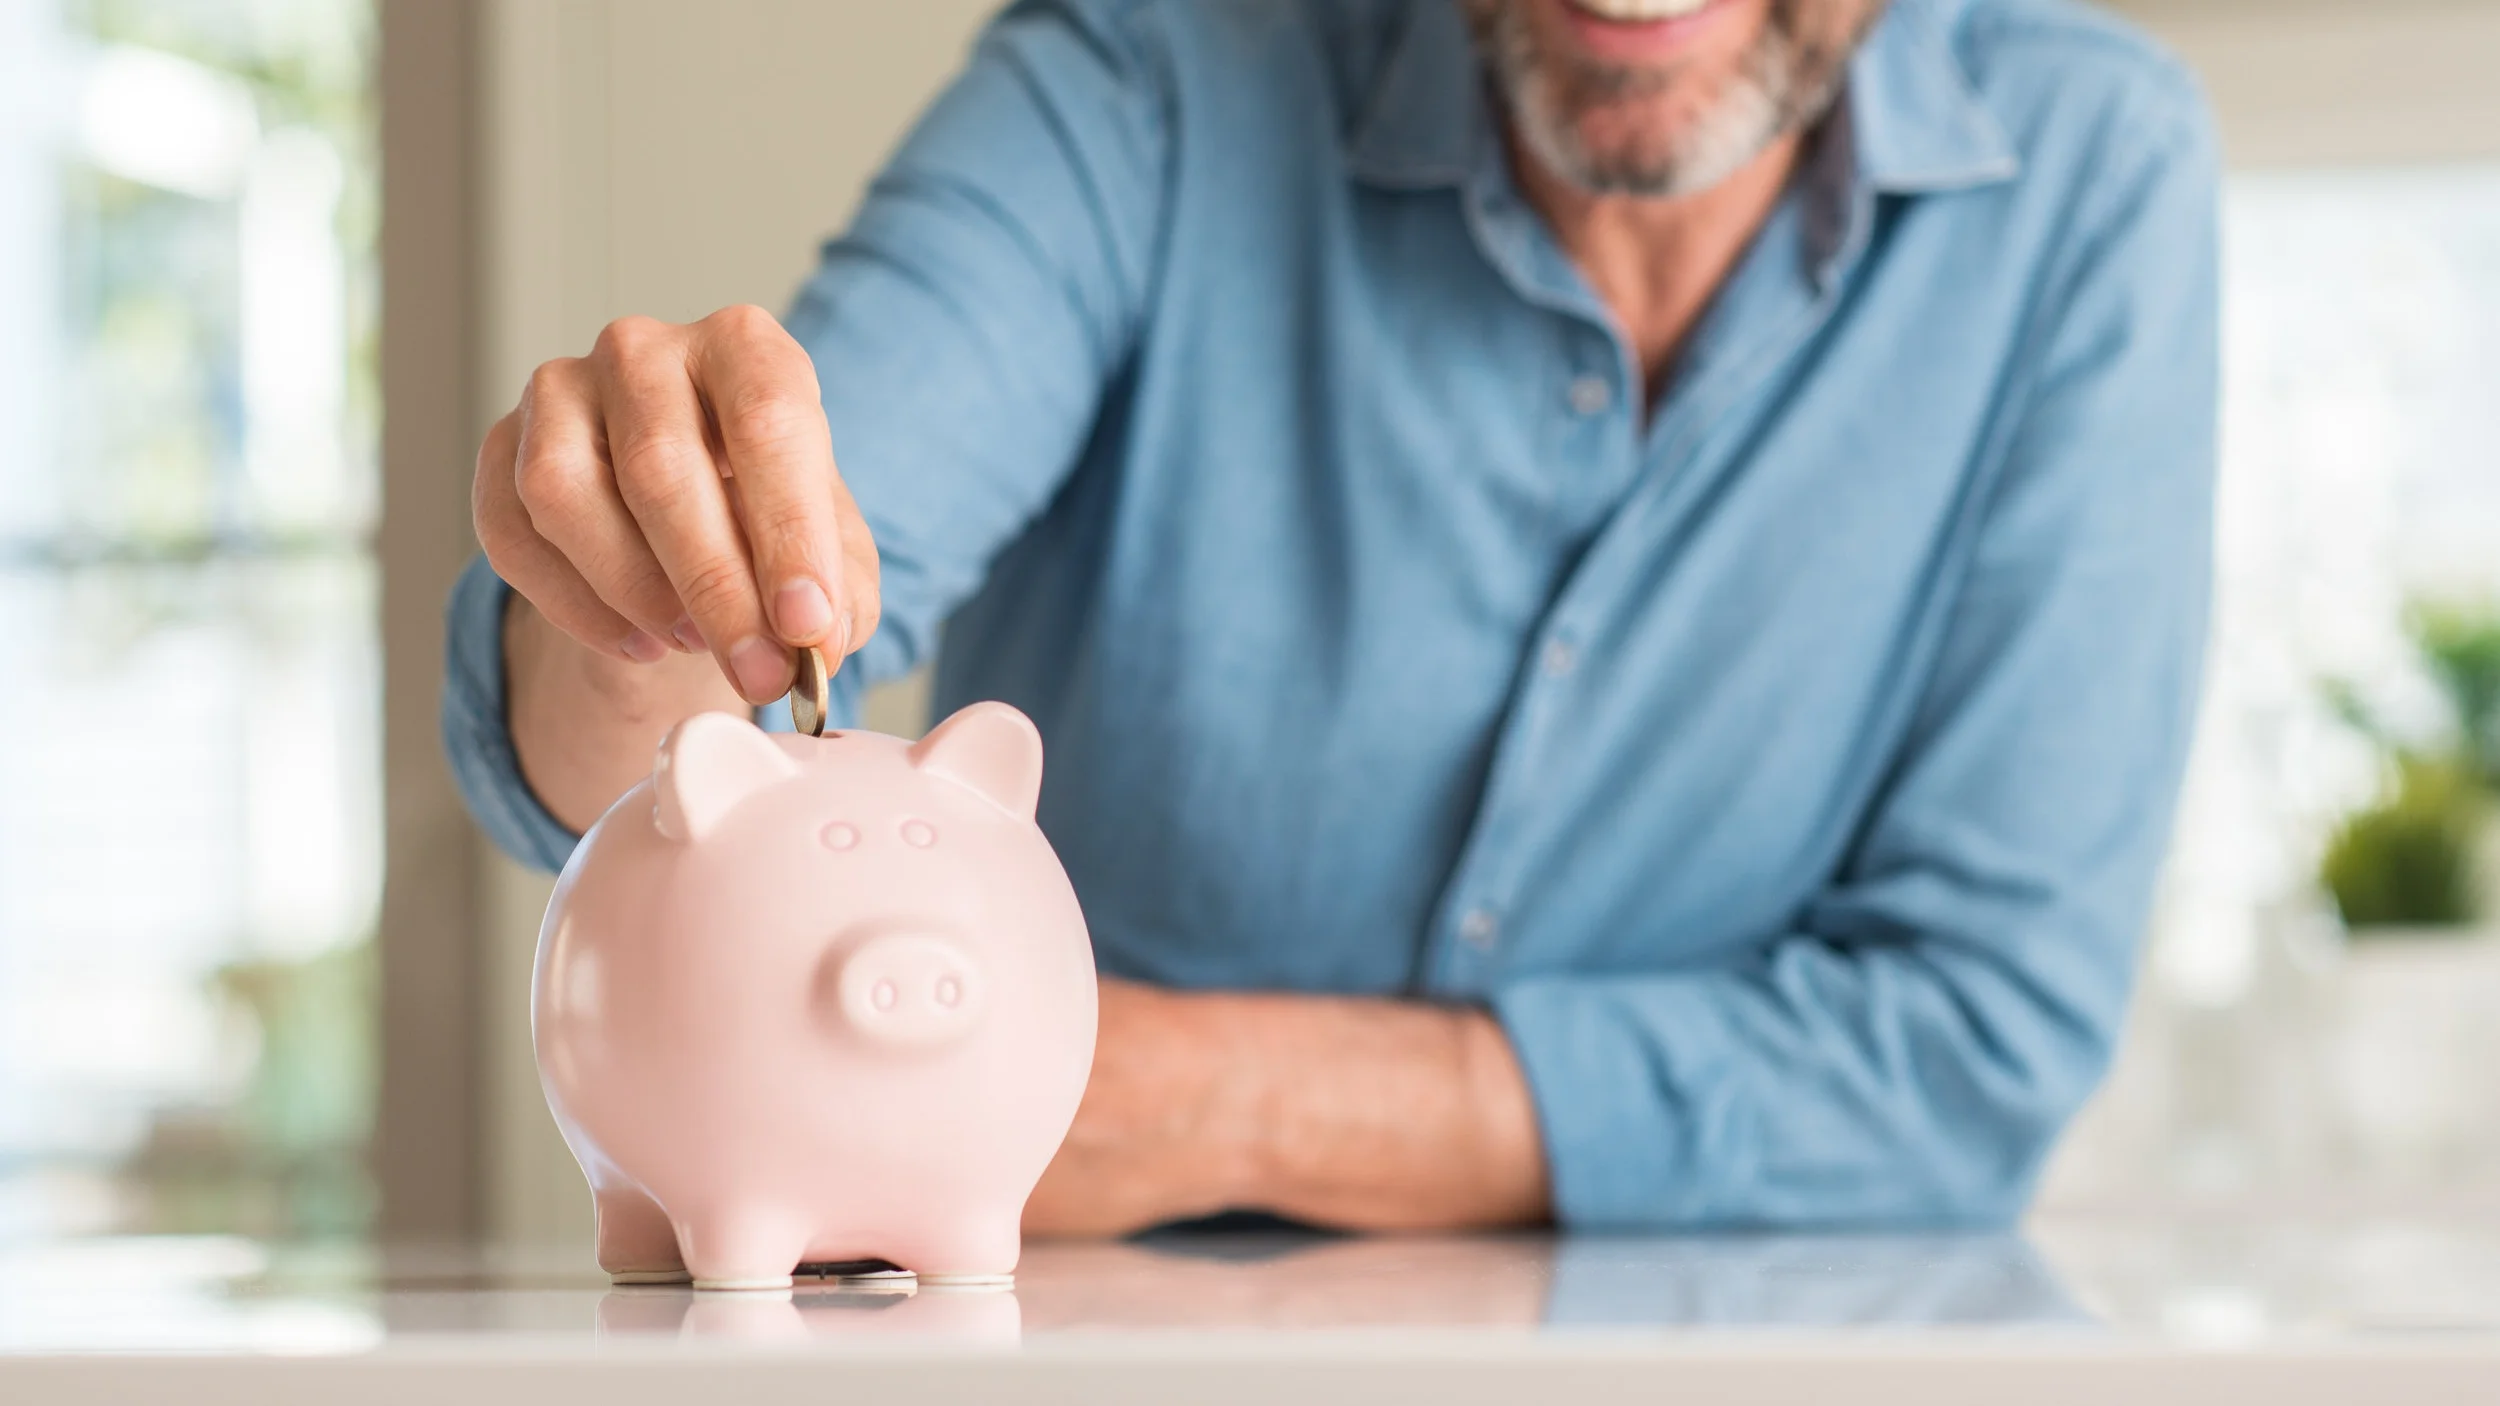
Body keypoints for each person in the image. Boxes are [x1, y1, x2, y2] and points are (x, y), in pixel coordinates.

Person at [443, 0, 2217, 1233]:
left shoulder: (2090, 170)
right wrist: (639, 581)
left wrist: (1149, 1090)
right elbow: (672, 706)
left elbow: (1963, 1056)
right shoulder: (1146, 82)